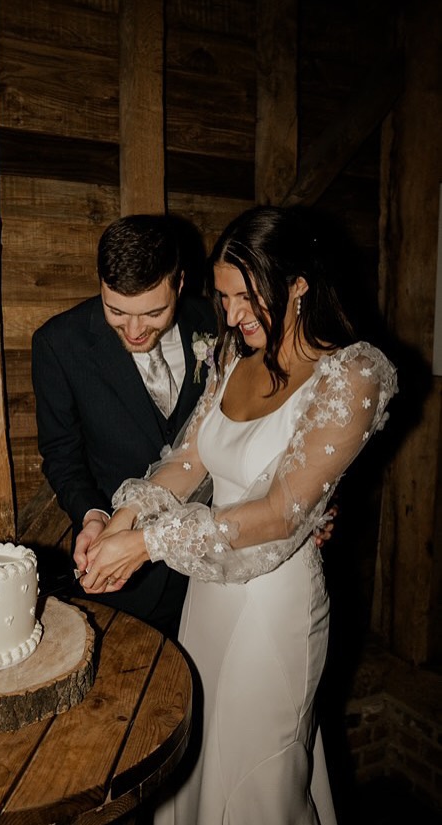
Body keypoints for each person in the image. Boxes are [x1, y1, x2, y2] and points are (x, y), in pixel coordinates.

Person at [79, 205, 398, 824]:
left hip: (275, 605)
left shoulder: (353, 373)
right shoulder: (233, 361)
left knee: (256, 776)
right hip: (208, 597)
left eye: (247, 298)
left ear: (299, 284)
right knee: (197, 762)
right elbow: (187, 463)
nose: (231, 316)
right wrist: (121, 522)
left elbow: (279, 514)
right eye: (223, 299)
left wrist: (147, 545)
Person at [31, 214, 217, 636]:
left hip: (211, 566)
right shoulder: (58, 343)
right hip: (121, 576)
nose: (134, 330)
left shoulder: (215, 323)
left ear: (180, 283)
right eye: (116, 311)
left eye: (153, 313)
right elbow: (62, 455)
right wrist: (93, 515)